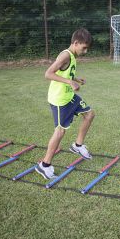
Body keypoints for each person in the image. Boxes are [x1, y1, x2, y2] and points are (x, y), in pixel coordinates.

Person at [35, 28, 95, 179]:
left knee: (89, 114)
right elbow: (48, 73)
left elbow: (65, 72)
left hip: (69, 96)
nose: (85, 51)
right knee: (60, 131)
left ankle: (78, 146)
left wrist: (75, 79)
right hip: (60, 100)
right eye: (84, 48)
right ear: (76, 43)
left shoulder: (72, 56)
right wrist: (70, 81)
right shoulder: (65, 55)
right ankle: (45, 165)